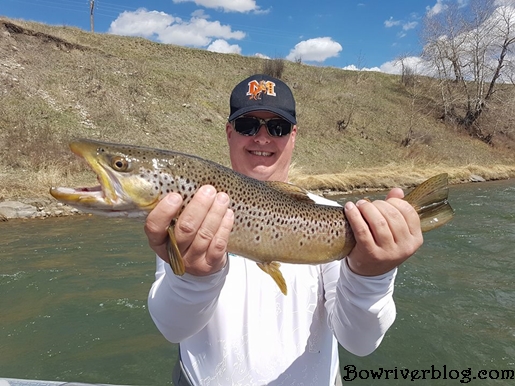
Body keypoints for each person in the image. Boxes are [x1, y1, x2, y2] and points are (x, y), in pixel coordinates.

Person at [146, 74, 423, 385]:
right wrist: (194, 280)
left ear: (293, 135)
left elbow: (359, 342)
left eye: (276, 128)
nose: (262, 138)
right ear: (229, 132)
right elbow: (173, 328)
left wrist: (372, 276)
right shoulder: (194, 213)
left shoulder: (334, 218)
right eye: (247, 125)